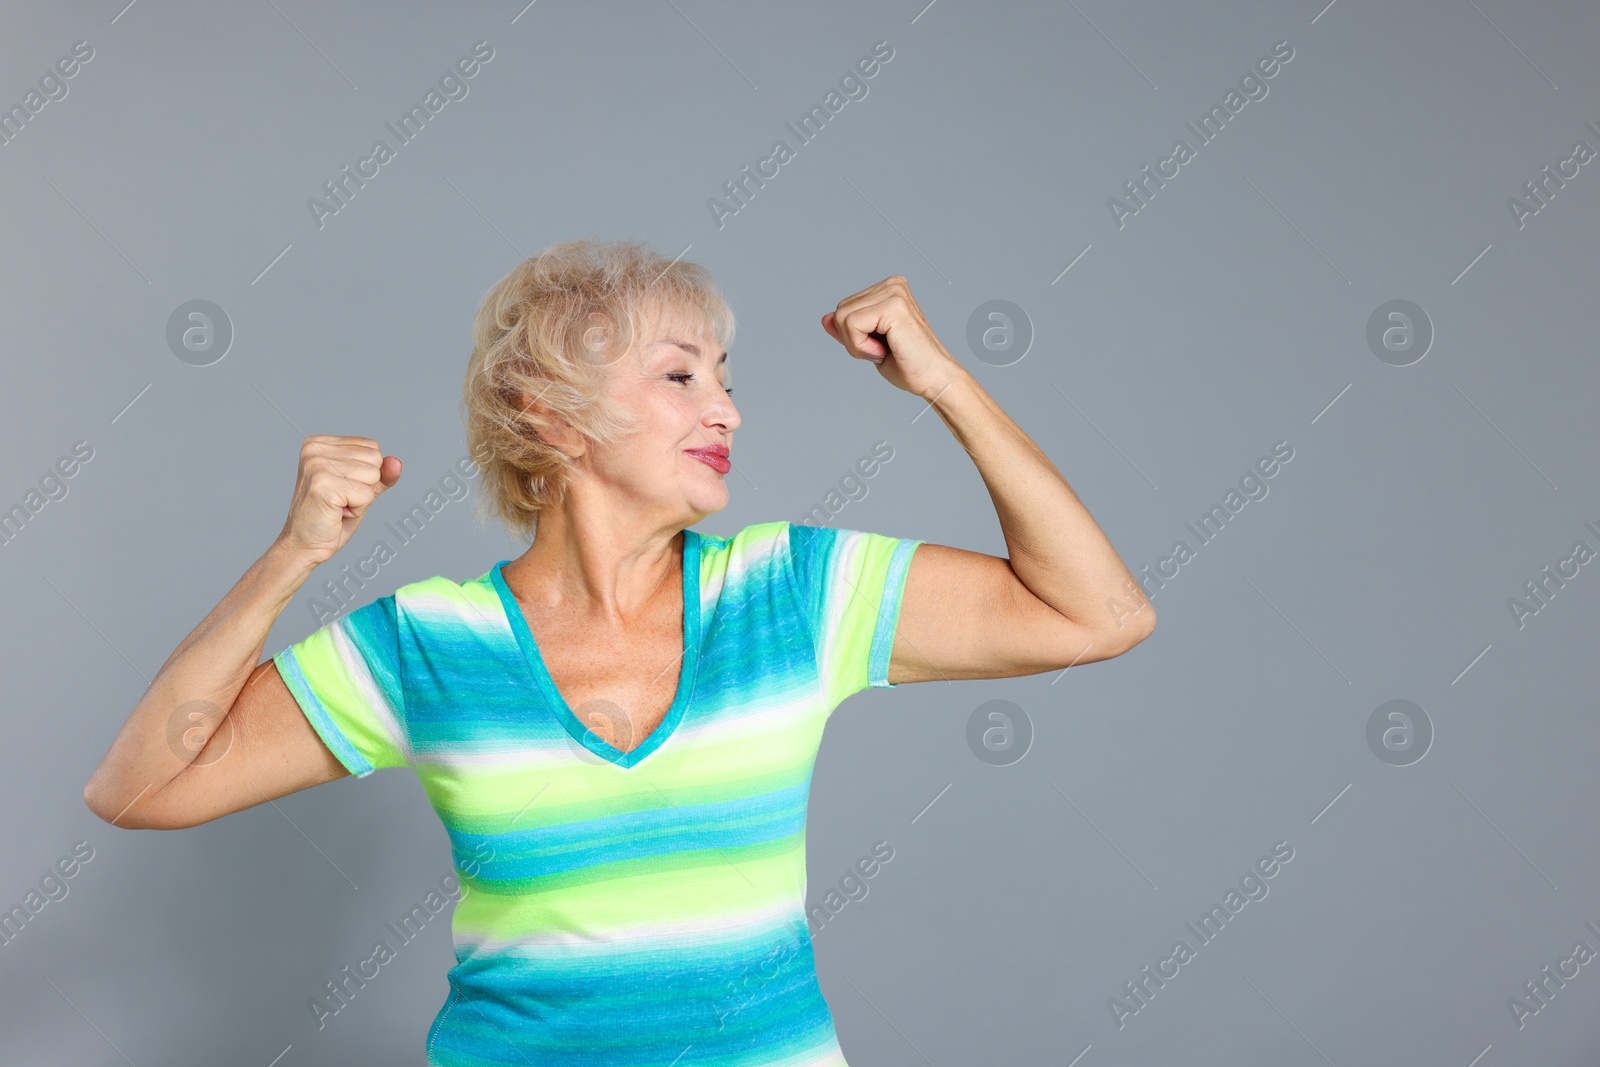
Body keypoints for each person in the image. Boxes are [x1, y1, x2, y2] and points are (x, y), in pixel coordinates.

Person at [84, 240, 1155, 1065]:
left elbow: (1097, 613)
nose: (727, 406)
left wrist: (945, 385)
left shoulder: (790, 591)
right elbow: (142, 785)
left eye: (726, 375)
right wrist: (294, 554)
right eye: (681, 375)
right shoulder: (429, 642)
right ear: (549, 415)